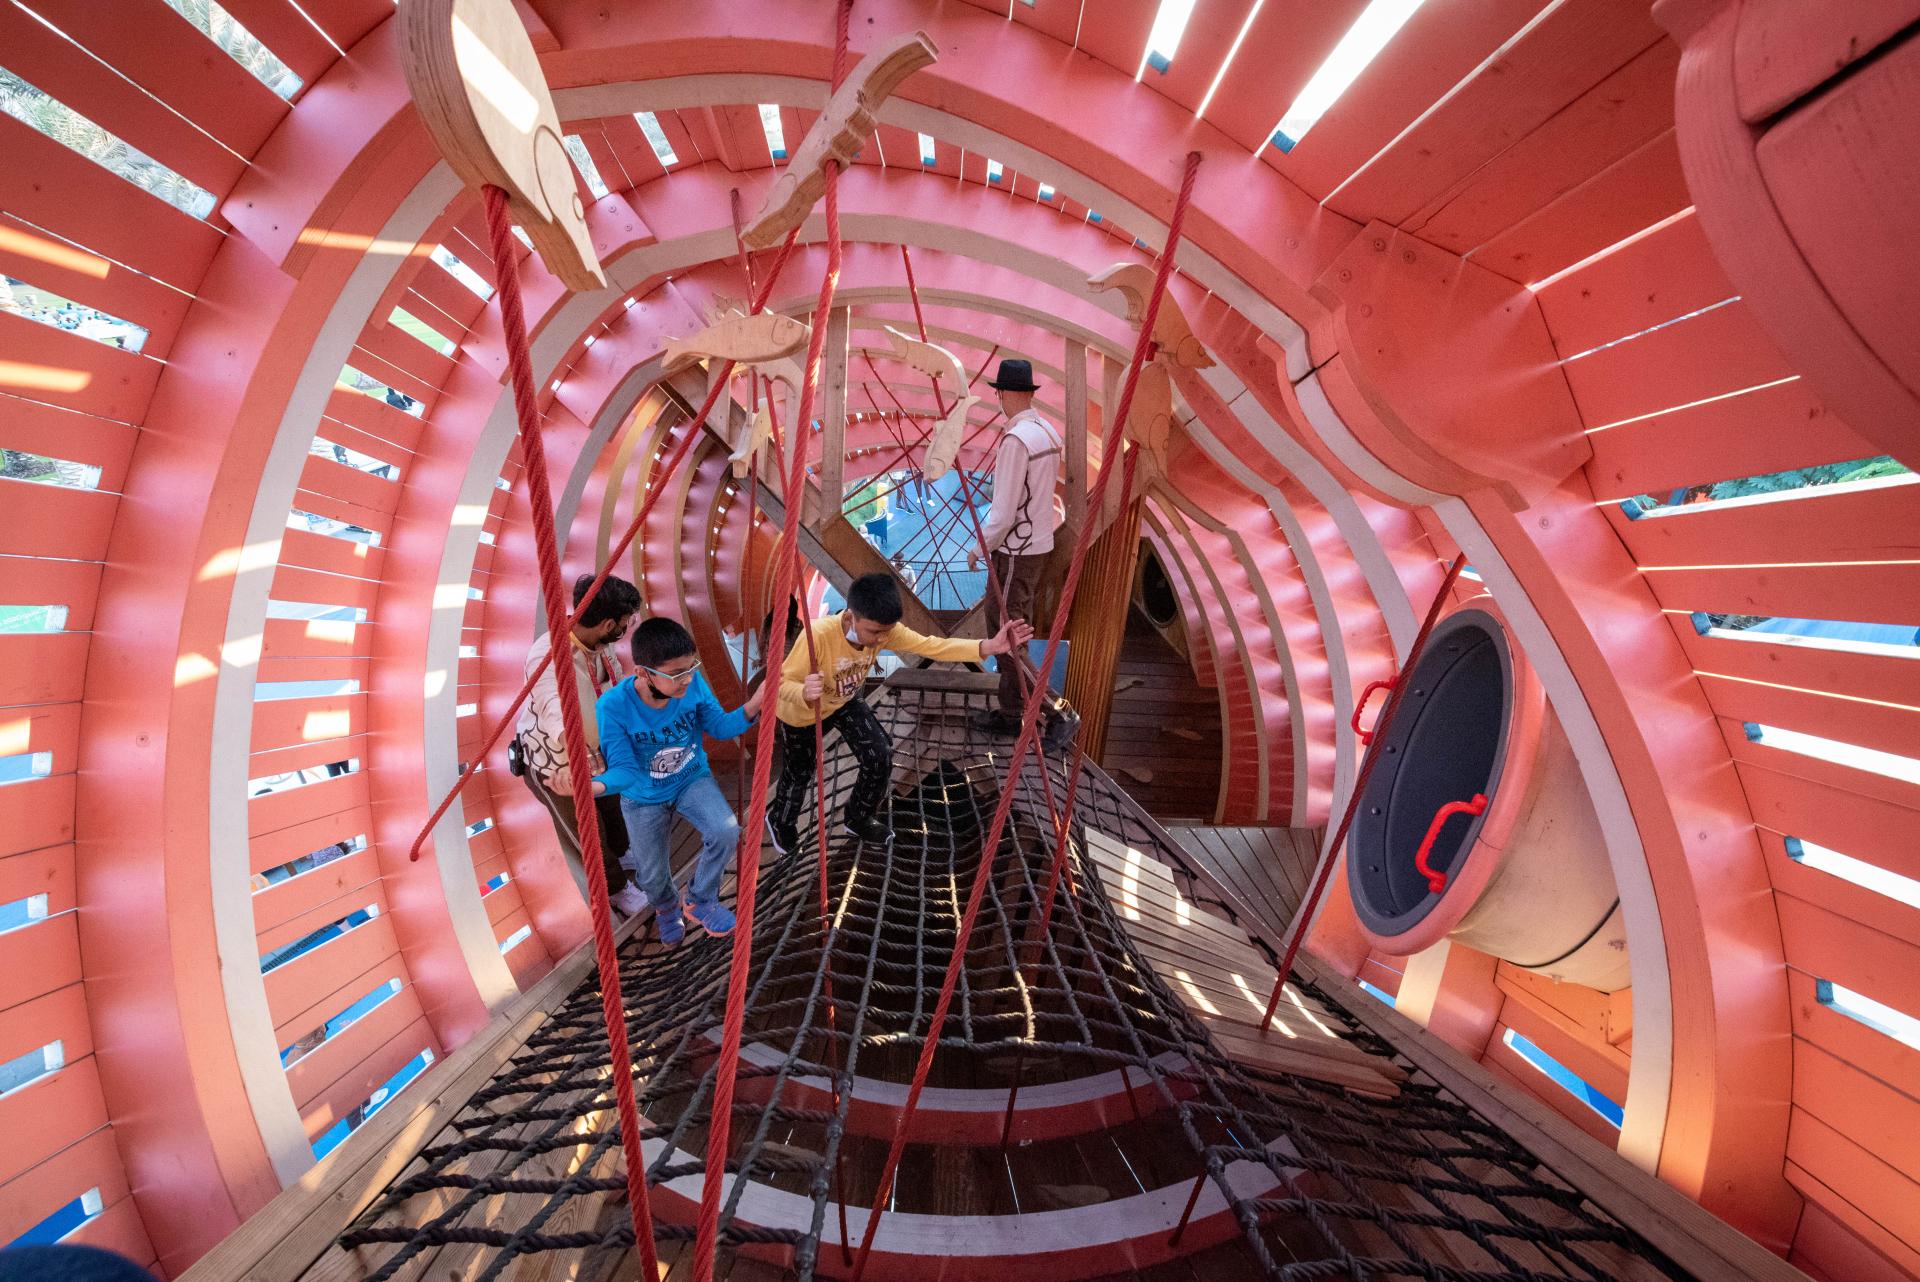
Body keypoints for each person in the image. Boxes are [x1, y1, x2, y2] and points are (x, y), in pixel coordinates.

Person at [767, 573, 1032, 852]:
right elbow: (779, 684)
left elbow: (933, 645)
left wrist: (989, 646)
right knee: (800, 771)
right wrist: (803, 693)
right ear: (851, 617)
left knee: (879, 754)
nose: (881, 639)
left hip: (842, 700)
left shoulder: (887, 631)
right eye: (874, 632)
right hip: (801, 711)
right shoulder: (818, 637)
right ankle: (780, 821)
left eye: (885, 632)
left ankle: (858, 818)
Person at [596, 618, 764, 945]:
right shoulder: (612, 706)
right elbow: (624, 770)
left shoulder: (693, 684)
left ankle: (700, 898)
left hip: (690, 778)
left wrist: (754, 703)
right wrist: (595, 786)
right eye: (676, 674)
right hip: (642, 795)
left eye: (690, 668)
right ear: (643, 673)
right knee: (652, 875)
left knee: (726, 829)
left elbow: (719, 727)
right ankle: (665, 907)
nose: (687, 679)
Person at [515, 573, 648, 916]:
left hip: (600, 753)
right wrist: (573, 754)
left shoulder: (599, 647)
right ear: (606, 624)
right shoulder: (547, 655)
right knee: (587, 832)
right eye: (625, 622)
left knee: (613, 809)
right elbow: (552, 708)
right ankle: (617, 889)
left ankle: (624, 853)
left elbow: (614, 689)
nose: (628, 627)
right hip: (558, 764)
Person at [966, 358, 1065, 735]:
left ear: (1005, 393)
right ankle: (1011, 714)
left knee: (1006, 636)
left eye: (998, 392)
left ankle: (1056, 710)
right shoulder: (1047, 432)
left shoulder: (1016, 440)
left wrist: (979, 547)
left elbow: (1004, 511)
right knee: (1013, 631)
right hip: (1037, 546)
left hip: (1015, 552)